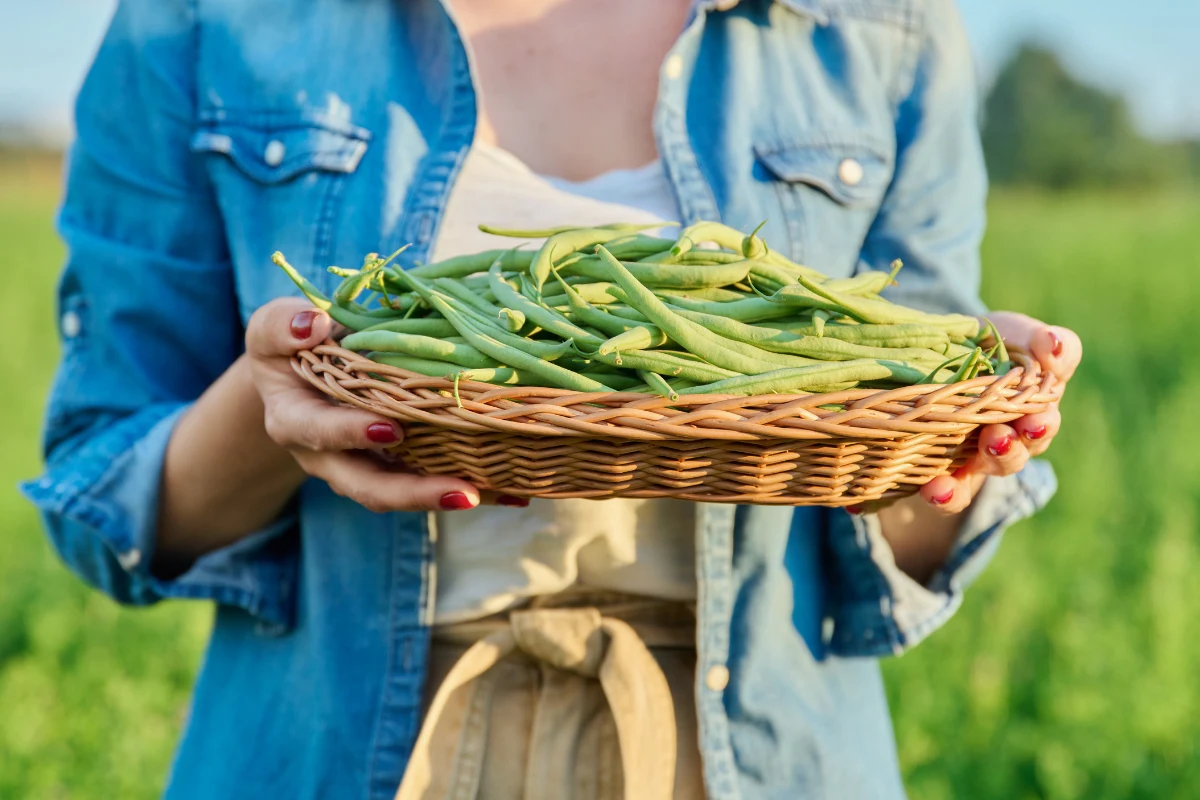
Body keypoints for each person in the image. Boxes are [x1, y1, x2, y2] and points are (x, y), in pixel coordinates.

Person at [24, 0, 1082, 797]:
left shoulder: (876, 24)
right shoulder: (205, 18)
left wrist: (950, 441)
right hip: (344, 750)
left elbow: (912, 520)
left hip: (750, 753)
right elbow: (106, 493)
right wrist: (273, 407)